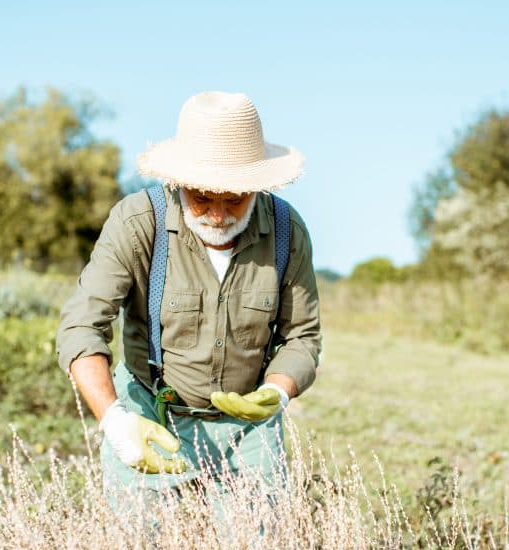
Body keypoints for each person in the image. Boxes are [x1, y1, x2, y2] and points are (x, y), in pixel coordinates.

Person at [55, 91, 321, 511]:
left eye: (234, 197)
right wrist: (115, 421)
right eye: (202, 196)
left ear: (257, 185)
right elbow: (81, 328)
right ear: (178, 181)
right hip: (148, 413)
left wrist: (277, 391)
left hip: (247, 433)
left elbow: (302, 337)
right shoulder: (138, 222)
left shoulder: (288, 231)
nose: (218, 215)